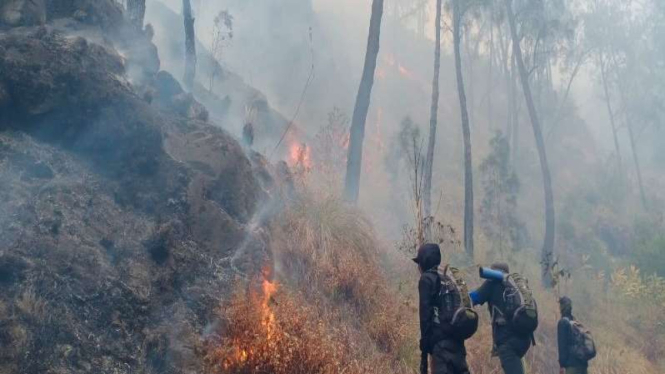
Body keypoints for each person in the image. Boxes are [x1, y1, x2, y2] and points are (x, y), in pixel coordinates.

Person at [413, 243, 471, 374]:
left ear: (423, 262)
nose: (418, 267)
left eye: (419, 263)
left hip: (440, 348)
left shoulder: (426, 279)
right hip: (458, 345)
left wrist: (425, 347)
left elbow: (425, 315)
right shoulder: (447, 278)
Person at [471, 263, 531, 374]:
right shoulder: (513, 287)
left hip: (506, 342)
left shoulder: (493, 283)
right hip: (523, 340)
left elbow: (474, 298)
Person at [558, 297, 589, 374]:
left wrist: (562, 366)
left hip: (571, 366)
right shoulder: (575, 322)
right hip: (583, 365)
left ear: (562, 307)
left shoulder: (563, 322)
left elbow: (562, 346)